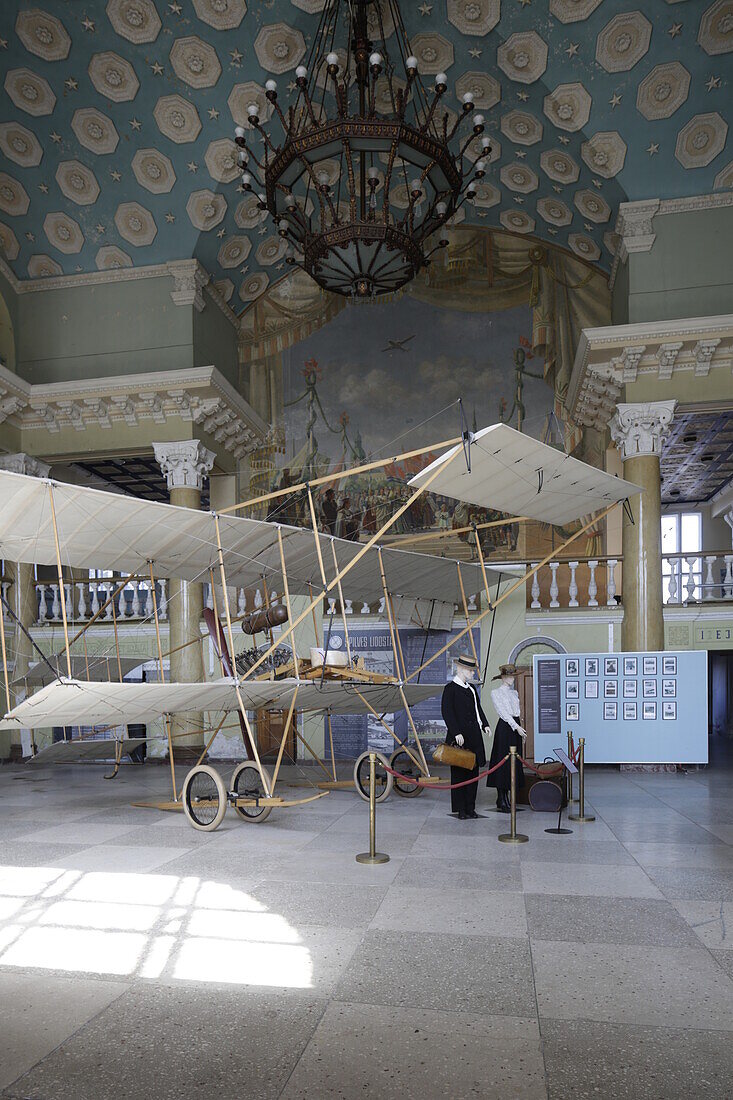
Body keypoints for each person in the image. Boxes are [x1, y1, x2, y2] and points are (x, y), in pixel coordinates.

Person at [440, 653, 489, 820]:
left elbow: (477, 710)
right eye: (471, 670)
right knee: (459, 774)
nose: (473, 673)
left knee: (473, 774)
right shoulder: (450, 689)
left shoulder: (471, 689)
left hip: (474, 736)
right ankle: (460, 809)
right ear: (461, 669)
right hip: (459, 738)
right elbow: (447, 713)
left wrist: (484, 724)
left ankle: (470, 807)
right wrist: (456, 732)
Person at [487, 663, 526, 813]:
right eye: (509, 676)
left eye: (513, 676)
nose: (511, 679)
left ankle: (507, 797)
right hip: (505, 727)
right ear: (503, 677)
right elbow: (503, 712)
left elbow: (516, 713)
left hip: (516, 726)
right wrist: (515, 726)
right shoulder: (496, 693)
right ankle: (501, 797)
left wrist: (519, 727)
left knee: (514, 763)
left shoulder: (514, 693)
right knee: (502, 762)